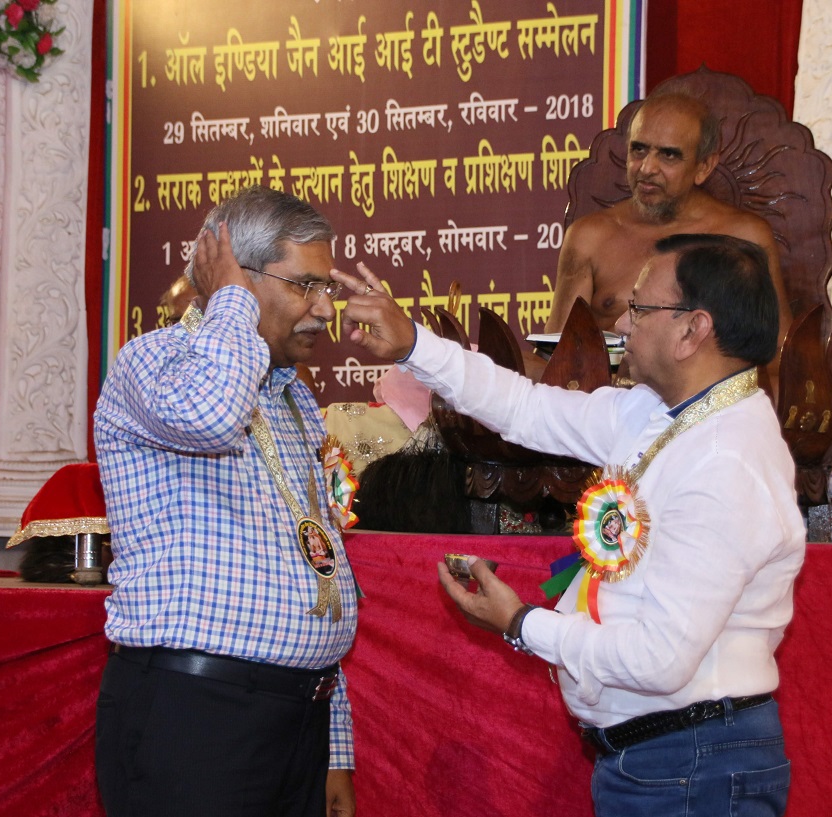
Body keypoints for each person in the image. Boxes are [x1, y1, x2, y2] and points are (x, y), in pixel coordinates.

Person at [333, 233, 805, 817]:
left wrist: (520, 622)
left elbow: (659, 659)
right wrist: (412, 345)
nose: (623, 325)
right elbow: (525, 408)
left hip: (693, 764)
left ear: (693, 329)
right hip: (666, 758)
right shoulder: (661, 414)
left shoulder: (725, 460)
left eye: (640, 308)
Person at [94, 186, 359, 817]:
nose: (325, 309)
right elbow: (211, 419)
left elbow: (318, 565)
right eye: (305, 285)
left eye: (327, 287)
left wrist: (336, 744)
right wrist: (230, 299)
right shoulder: (154, 361)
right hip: (194, 717)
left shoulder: (292, 395)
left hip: (298, 720)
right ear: (237, 274)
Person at [545, 92, 792, 383]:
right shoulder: (589, 237)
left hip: (706, 406)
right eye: (638, 150)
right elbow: (557, 355)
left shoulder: (743, 235)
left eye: (668, 155)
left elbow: (778, 356)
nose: (647, 168)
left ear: (704, 166)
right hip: (609, 401)